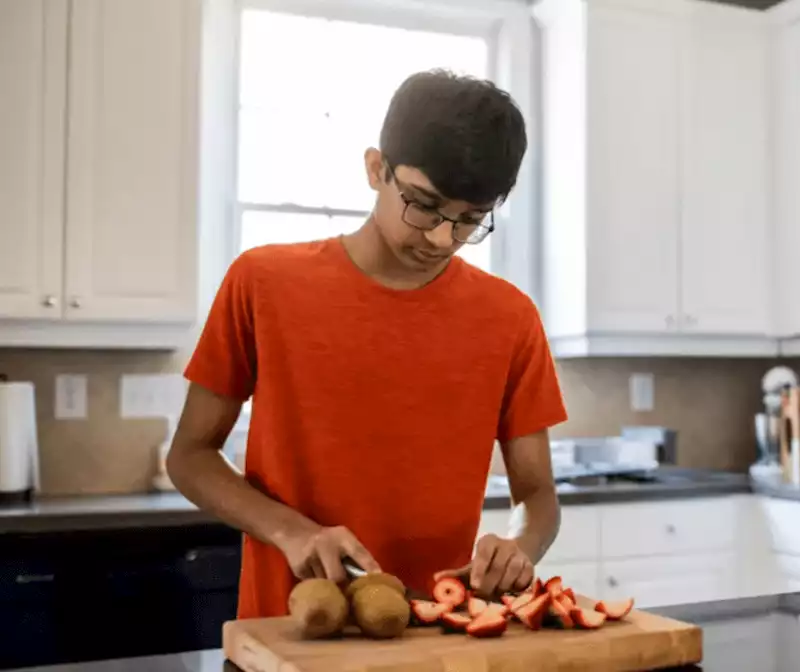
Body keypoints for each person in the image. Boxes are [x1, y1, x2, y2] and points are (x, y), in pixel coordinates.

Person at [166, 70, 567, 620]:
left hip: (438, 634)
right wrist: (291, 532)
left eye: (470, 220)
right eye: (424, 205)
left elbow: (537, 493)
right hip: (292, 626)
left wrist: (518, 547)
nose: (441, 239)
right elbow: (189, 456)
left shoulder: (511, 317)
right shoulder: (262, 282)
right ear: (376, 169)